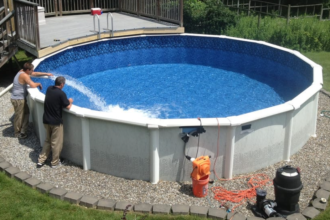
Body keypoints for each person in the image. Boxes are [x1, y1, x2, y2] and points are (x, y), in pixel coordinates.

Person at [37, 76, 73, 169]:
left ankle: (41, 161)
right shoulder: (61, 94)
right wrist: (70, 101)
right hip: (56, 122)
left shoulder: (49, 89)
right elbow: (68, 107)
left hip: (46, 120)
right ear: (61, 84)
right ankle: (55, 163)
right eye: (63, 84)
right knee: (56, 143)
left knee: (48, 140)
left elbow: (55, 101)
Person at [11, 62, 53, 139]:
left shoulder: (22, 71)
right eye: (31, 70)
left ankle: (23, 131)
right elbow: (33, 85)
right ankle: (17, 133)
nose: (32, 71)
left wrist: (46, 74)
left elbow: (35, 73)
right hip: (18, 99)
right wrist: (38, 84)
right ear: (27, 70)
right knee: (19, 116)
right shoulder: (24, 75)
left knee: (26, 113)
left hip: (19, 98)